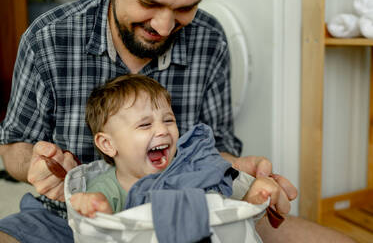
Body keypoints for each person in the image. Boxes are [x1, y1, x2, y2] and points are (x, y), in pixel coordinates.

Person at [0, 0, 354, 242]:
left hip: (196, 212)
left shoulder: (210, 38)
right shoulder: (48, 37)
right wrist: (36, 163)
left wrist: (240, 173)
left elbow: (215, 153)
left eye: (186, 8)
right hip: (66, 220)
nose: (166, 25)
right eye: (148, 2)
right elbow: (12, 146)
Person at [70, 74, 284, 219]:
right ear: (107, 144)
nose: (163, 130)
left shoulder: (188, 174)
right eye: (145, 124)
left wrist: (249, 199)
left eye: (169, 120)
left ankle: (251, 204)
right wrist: (99, 210)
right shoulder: (105, 189)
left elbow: (221, 217)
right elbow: (104, 235)